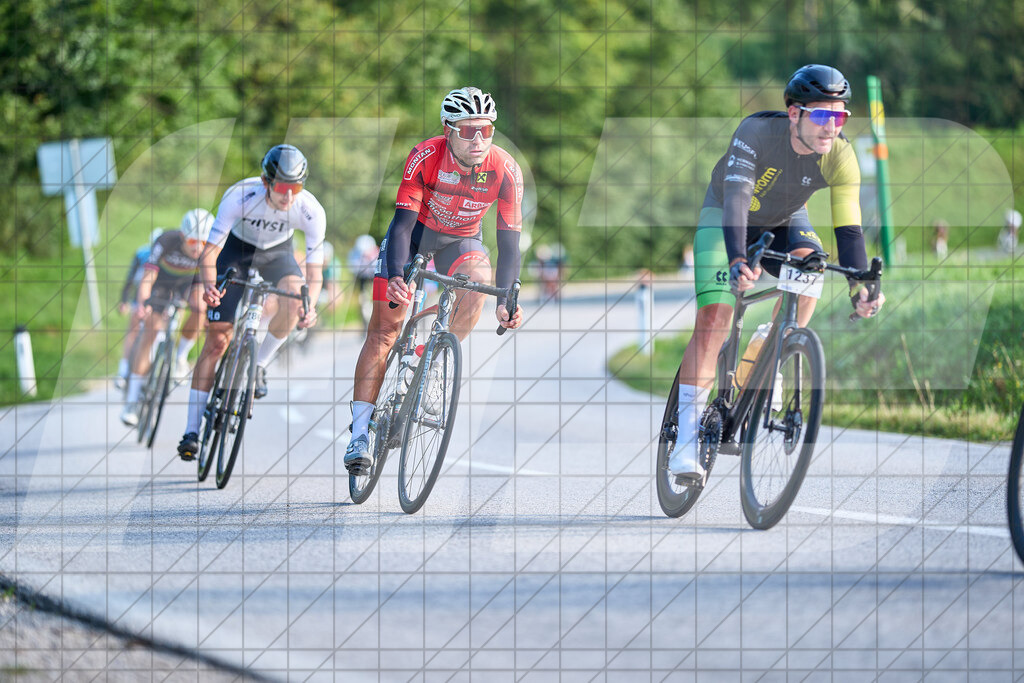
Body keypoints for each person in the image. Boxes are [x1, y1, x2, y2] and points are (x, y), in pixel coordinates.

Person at [667, 64, 886, 480]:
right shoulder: (756, 133)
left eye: (839, 117)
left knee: (812, 266)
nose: (831, 128)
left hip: (785, 220)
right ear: (794, 114)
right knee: (716, 317)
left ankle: (774, 347)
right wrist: (736, 259)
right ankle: (687, 437)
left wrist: (862, 284)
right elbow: (735, 202)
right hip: (725, 218)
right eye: (822, 116)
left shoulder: (840, 156)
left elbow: (849, 229)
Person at [343, 86, 526, 474]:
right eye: (467, 131)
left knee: (479, 280)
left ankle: (434, 358)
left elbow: (510, 244)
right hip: (414, 237)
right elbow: (403, 224)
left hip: (461, 241)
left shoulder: (506, 169)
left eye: (486, 131)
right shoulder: (425, 155)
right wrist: (396, 274)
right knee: (384, 331)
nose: (478, 140)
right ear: (447, 129)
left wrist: (507, 301)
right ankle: (360, 433)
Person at [176, 144, 325, 460]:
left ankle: (258, 364)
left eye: (296, 188)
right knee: (217, 340)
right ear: (265, 181)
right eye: (282, 188)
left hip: (277, 254)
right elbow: (210, 252)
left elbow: (314, 272)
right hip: (236, 253)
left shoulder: (310, 209)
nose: (288, 197)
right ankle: (191, 431)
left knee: (295, 299)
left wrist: (309, 306)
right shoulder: (240, 195)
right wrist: (208, 285)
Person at [120, 210, 213, 426]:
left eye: (202, 242)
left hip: (189, 283)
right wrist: (143, 303)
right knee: (150, 333)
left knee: (199, 307)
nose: (197, 247)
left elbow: (210, 283)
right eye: (192, 240)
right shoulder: (166, 241)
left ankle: (180, 357)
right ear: (182, 235)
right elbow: (147, 277)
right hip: (161, 285)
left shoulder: (208, 249)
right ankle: (132, 402)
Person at [115, 228, 164, 389]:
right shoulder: (142, 253)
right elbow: (130, 278)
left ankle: (153, 365)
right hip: (141, 296)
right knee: (133, 330)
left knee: (159, 330)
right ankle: (123, 371)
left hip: (160, 298)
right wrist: (124, 301)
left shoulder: (169, 256)